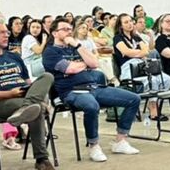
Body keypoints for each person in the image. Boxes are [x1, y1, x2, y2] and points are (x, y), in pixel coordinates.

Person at [42, 17, 141, 162]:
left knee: (133, 99)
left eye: (70, 29)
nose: (69, 32)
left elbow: (94, 63)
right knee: (91, 105)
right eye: (65, 29)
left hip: (93, 87)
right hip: (71, 91)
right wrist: (84, 64)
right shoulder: (50, 52)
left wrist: (77, 47)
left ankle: (120, 141)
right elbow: (70, 68)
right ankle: (94, 145)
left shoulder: (75, 47)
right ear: (54, 33)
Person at [0, 18, 58, 170]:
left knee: (47, 76)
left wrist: (42, 98)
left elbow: (29, 83)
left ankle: (26, 108)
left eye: (7, 32)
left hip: (24, 97)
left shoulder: (14, 57)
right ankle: (42, 160)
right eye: (2, 32)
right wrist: (10, 93)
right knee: (36, 109)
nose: (6, 35)